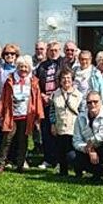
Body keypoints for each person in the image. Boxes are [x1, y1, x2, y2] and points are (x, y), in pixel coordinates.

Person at [0, 55, 43, 173]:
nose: (24, 69)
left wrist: (39, 115)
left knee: (23, 140)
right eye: (21, 67)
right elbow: (3, 96)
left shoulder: (33, 82)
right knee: (7, 139)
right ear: (17, 67)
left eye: (26, 67)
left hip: (26, 116)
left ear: (30, 68)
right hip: (11, 115)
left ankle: (20, 165)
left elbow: (37, 100)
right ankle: (2, 164)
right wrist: (0, 113)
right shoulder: (10, 80)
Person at [35, 41, 63, 169]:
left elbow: (66, 81)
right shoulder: (42, 66)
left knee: (57, 132)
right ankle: (48, 159)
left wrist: (54, 96)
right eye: (51, 50)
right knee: (45, 131)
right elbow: (36, 83)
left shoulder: (63, 64)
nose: (53, 52)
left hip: (58, 102)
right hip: (44, 102)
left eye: (56, 50)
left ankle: (59, 160)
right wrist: (41, 95)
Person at [50, 69, 82, 177]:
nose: (66, 80)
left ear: (72, 80)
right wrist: (53, 124)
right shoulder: (55, 94)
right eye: (63, 78)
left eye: (68, 78)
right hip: (60, 127)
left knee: (73, 153)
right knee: (61, 151)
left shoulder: (79, 95)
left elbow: (82, 113)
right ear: (59, 80)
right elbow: (52, 110)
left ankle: (78, 171)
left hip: (74, 128)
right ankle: (63, 172)